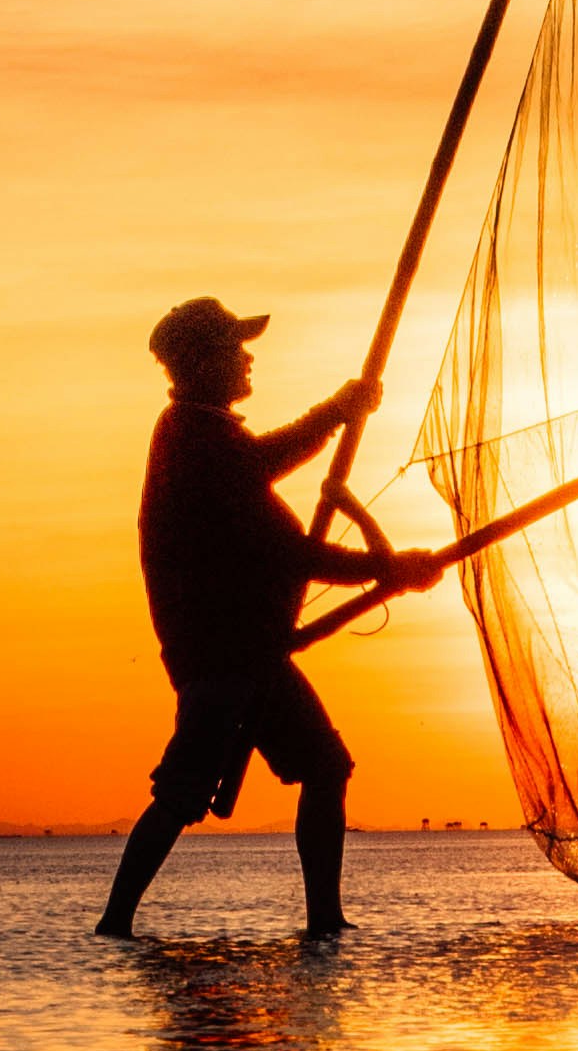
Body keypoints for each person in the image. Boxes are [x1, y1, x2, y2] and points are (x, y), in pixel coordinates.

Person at [97, 297, 437, 941]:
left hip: (250, 651)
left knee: (326, 767)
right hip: (220, 656)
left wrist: (383, 568)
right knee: (182, 793)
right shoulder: (191, 437)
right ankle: (115, 923)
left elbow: (279, 518)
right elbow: (280, 537)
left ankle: (325, 921)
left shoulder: (210, 436)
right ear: (199, 362)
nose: (247, 358)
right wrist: (336, 417)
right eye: (233, 348)